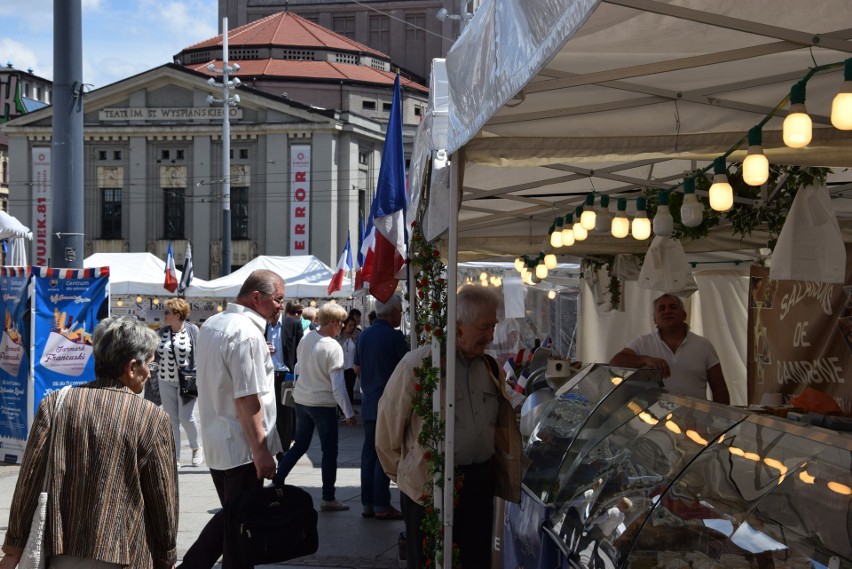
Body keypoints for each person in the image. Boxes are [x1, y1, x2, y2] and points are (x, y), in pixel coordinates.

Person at [0, 316, 178, 569]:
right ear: (131, 367)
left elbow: (29, 480)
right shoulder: (151, 417)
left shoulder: (55, 405)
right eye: (149, 364)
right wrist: (165, 552)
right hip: (125, 552)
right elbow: (162, 496)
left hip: (60, 551)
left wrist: (14, 548)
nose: (150, 374)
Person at [376, 284, 522, 568]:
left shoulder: (489, 368)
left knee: (474, 560)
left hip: (479, 482)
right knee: (431, 561)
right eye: (484, 327)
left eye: (493, 326)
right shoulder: (419, 365)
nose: (491, 335)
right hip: (432, 486)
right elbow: (387, 432)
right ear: (457, 326)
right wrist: (411, 477)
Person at [180, 269, 284, 569]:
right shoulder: (246, 332)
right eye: (278, 299)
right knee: (239, 530)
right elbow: (247, 397)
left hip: (221, 441)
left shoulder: (215, 323)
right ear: (257, 297)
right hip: (241, 447)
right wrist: (261, 450)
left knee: (234, 520)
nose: (281, 306)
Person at [274, 303, 356, 512]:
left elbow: (299, 367)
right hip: (322, 404)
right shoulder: (332, 347)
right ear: (334, 322)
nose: (343, 326)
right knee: (329, 451)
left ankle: (277, 480)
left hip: (302, 400)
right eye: (341, 322)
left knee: (300, 444)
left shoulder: (307, 338)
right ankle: (328, 497)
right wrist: (349, 413)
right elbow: (338, 387)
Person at [609, 293, 730, 403]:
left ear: (684, 315)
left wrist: (720, 421)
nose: (667, 311)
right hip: (653, 422)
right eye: (661, 308)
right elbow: (615, 363)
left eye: (673, 307)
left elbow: (719, 388)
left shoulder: (704, 345)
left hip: (696, 422)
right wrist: (645, 360)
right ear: (654, 319)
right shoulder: (642, 342)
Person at [353, 293, 408, 520]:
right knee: (383, 454)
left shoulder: (364, 335)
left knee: (369, 454)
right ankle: (380, 505)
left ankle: (368, 503)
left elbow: (356, 368)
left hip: (369, 401)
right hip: (388, 403)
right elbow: (409, 368)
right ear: (394, 313)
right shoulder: (394, 337)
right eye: (400, 312)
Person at [155, 297, 202, 468]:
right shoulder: (161, 332)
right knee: (171, 419)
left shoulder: (193, 330)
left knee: (186, 416)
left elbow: (200, 354)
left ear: (177, 314)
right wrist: (150, 369)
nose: (164, 315)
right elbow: (154, 356)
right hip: (165, 380)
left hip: (187, 381)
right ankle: (174, 456)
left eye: (167, 312)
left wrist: (200, 375)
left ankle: (196, 448)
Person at [337, 316, 359, 413]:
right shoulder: (338, 336)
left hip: (351, 367)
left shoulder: (357, 336)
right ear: (344, 325)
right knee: (341, 388)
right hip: (340, 367)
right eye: (350, 325)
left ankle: (348, 411)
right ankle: (341, 410)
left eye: (353, 325)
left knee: (349, 388)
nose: (352, 327)